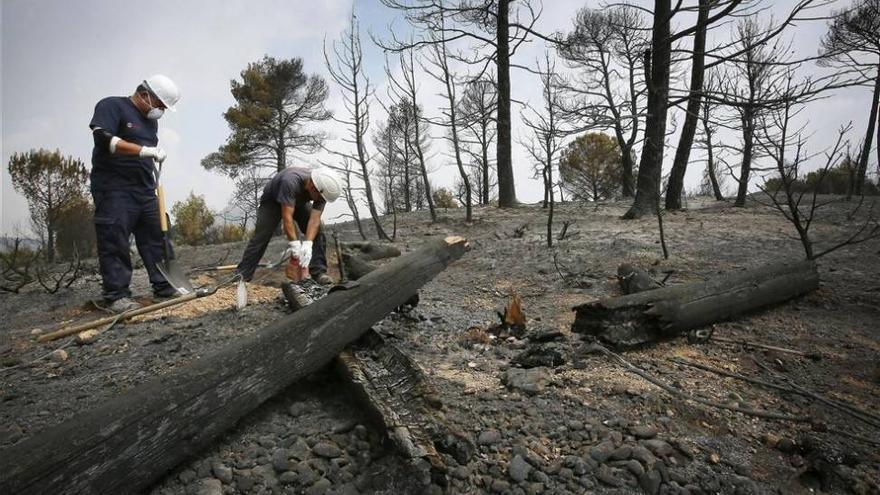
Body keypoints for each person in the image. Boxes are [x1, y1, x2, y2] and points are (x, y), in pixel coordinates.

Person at [88, 74, 181, 312]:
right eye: (159, 105)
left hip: (145, 188)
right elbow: (103, 139)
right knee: (115, 238)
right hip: (114, 188)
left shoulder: (151, 122)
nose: (160, 111)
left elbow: (148, 150)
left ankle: (164, 285)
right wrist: (143, 151)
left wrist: (153, 157)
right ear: (145, 95)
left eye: (163, 108)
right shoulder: (112, 105)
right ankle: (117, 295)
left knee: (158, 235)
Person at [236, 167, 342, 285]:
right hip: (272, 201)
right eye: (318, 198)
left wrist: (308, 244)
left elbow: (314, 220)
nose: (319, 201)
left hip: (298, 201)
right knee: (261, 237)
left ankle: (319, 272)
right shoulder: (290, 181)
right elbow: (287, 217)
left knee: (318, 232)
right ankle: (242, 277)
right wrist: (295, 244)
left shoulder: (322, 190)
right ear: (312, 187)